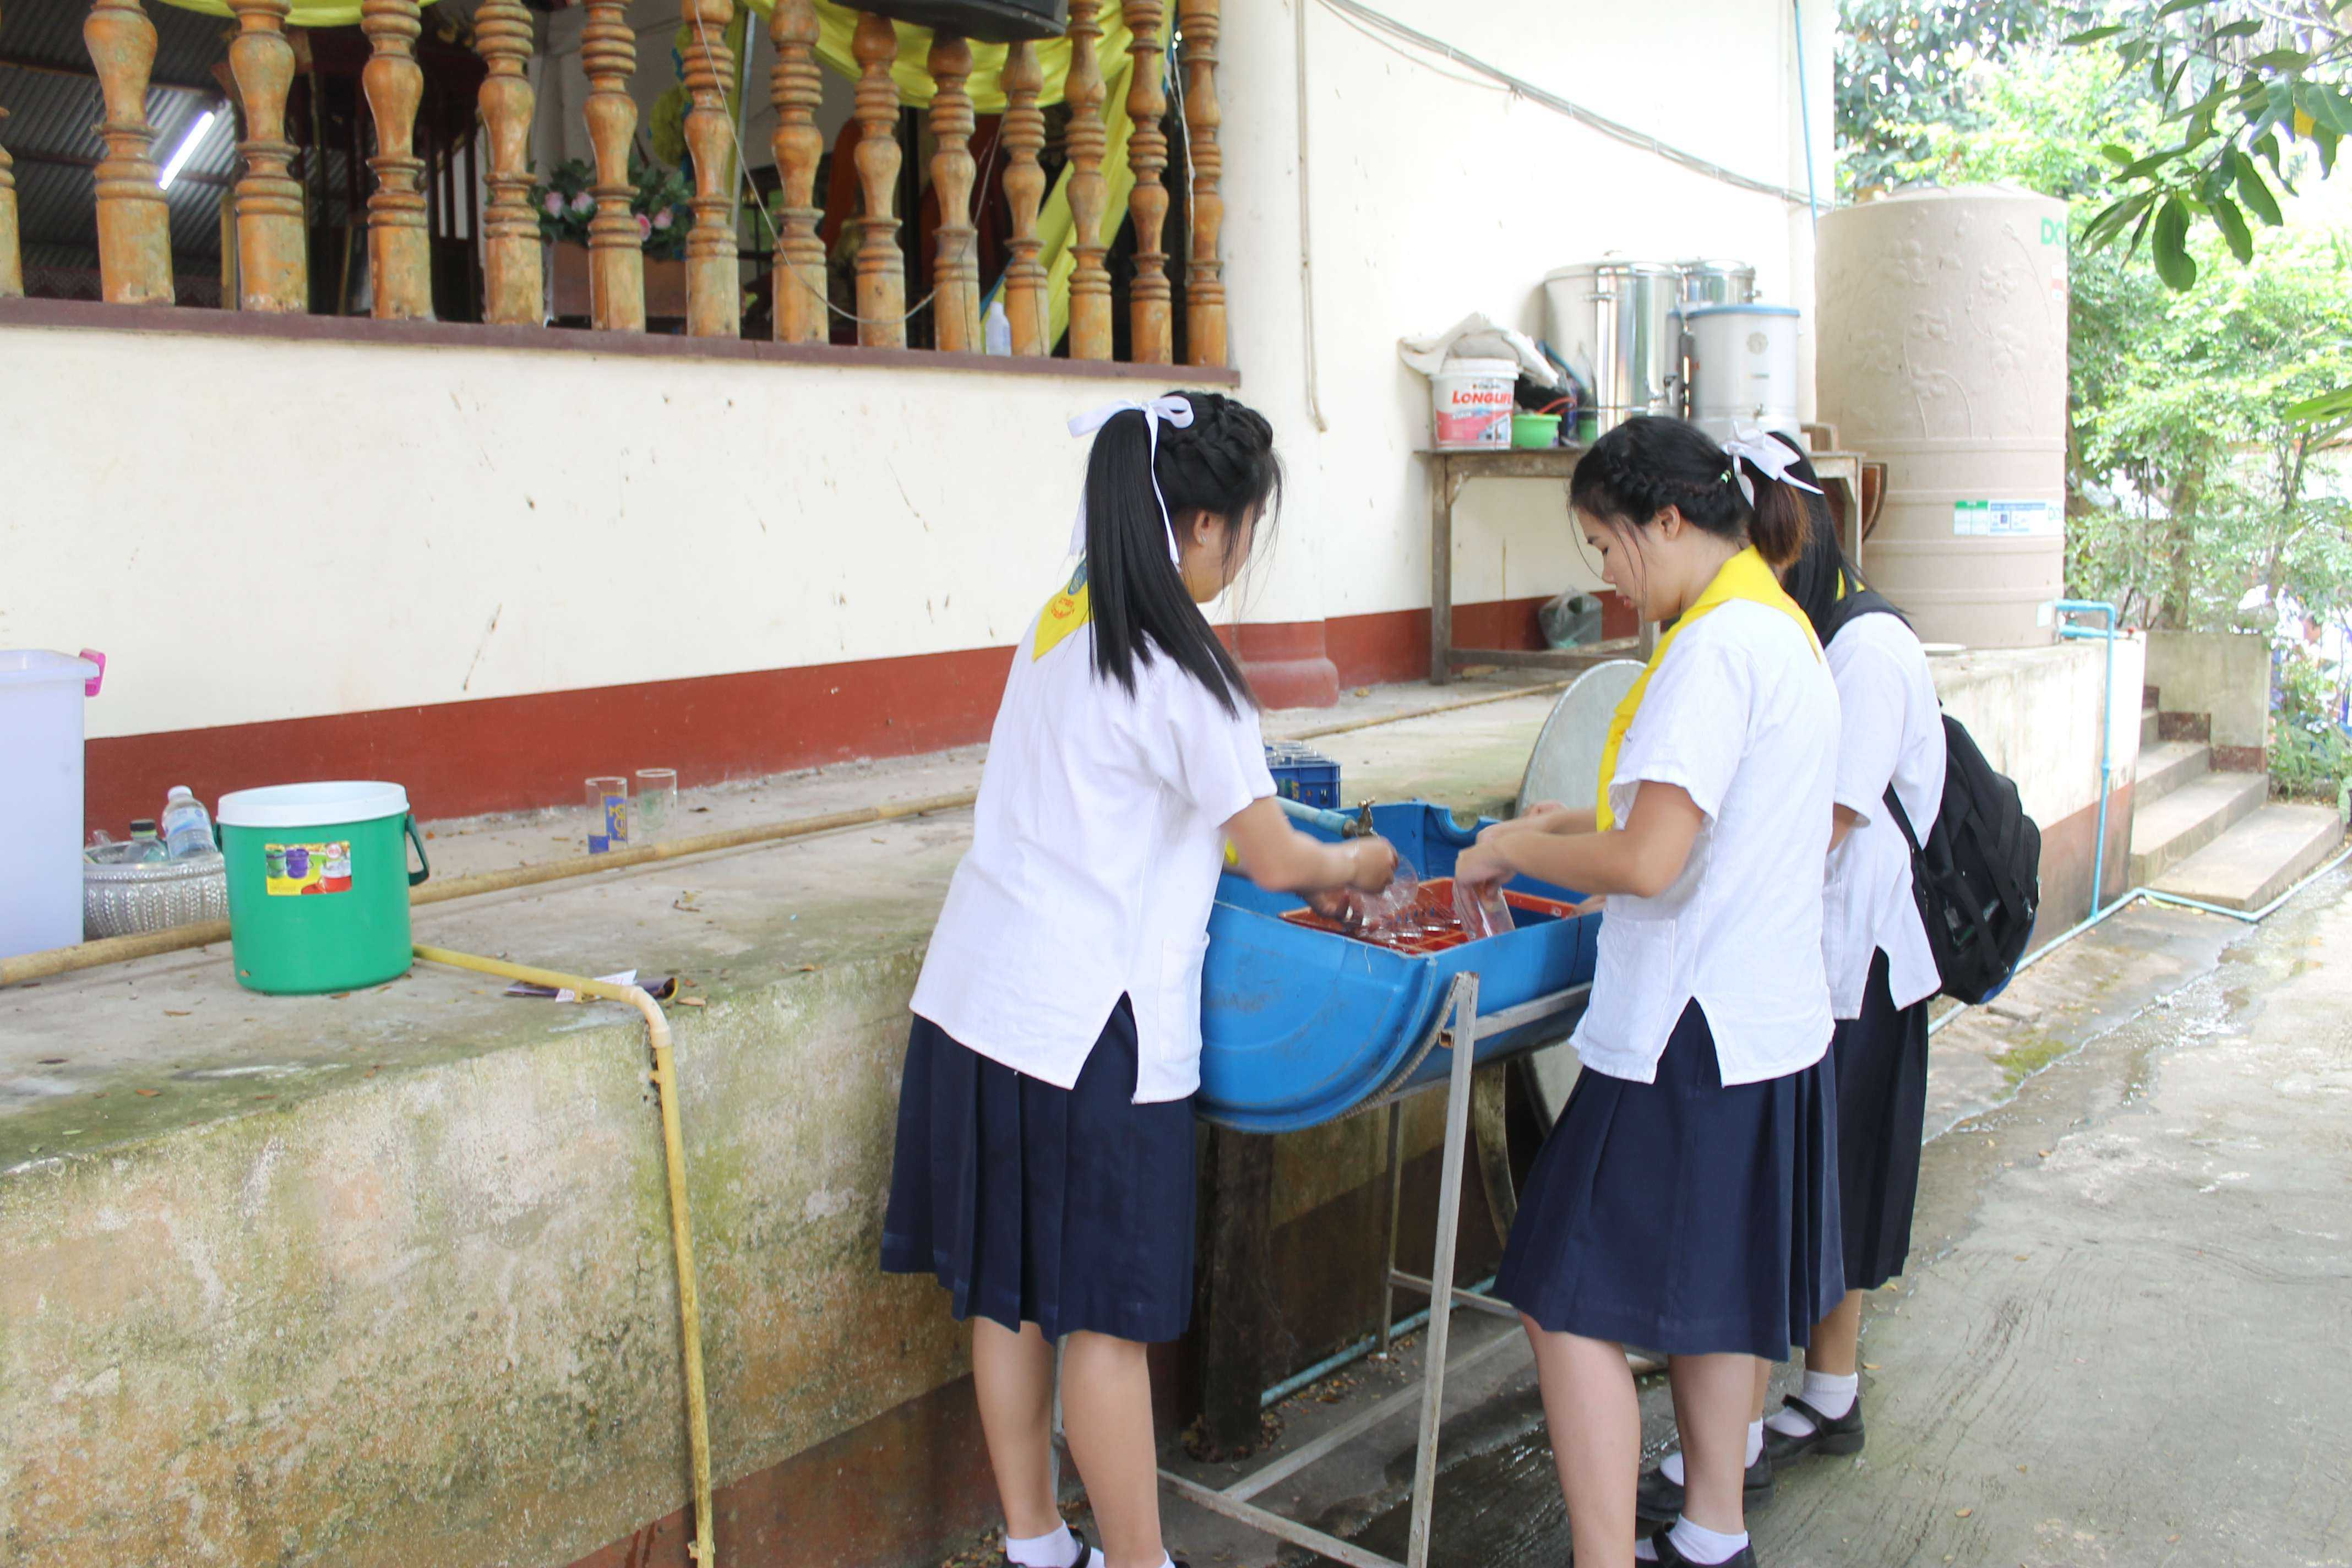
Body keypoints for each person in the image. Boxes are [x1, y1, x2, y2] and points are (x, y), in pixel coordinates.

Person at [879, 392, 1400, 1568]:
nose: (1243, 555)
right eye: (1248, 529)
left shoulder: (1064, 618)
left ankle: (1035, 1541)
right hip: (1089, 1031)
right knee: (1108, 1323)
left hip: (979, 1004)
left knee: (1011, 1293)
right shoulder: (1186, 667)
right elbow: (1274, 855)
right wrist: (1360, 862)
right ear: (1208, 523)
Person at [1453, 416, 1844, 1568]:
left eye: (1606, 544)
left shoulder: (1712, 649)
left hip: (1687, 1032)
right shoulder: (1778, 625)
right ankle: (1715, 1532)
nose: (1607, 575)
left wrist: (1512, 850)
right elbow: (1705, 810)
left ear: (1668, 520)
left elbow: (1651, 860)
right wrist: (1575, 818)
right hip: (1768, 1026)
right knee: (1719, 1292)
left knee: (1559, 1291)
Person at [1631, 433, 1947, 1521]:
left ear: (1793, 530)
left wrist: (1671, 856)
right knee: (1810, 1198)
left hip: (1855, 962)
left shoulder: (1864, 650)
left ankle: (1775, 1422)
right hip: (1810, 964)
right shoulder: (1800, 633)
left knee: (1817, 1198)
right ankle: (1804, 1403)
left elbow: (1820, 824)